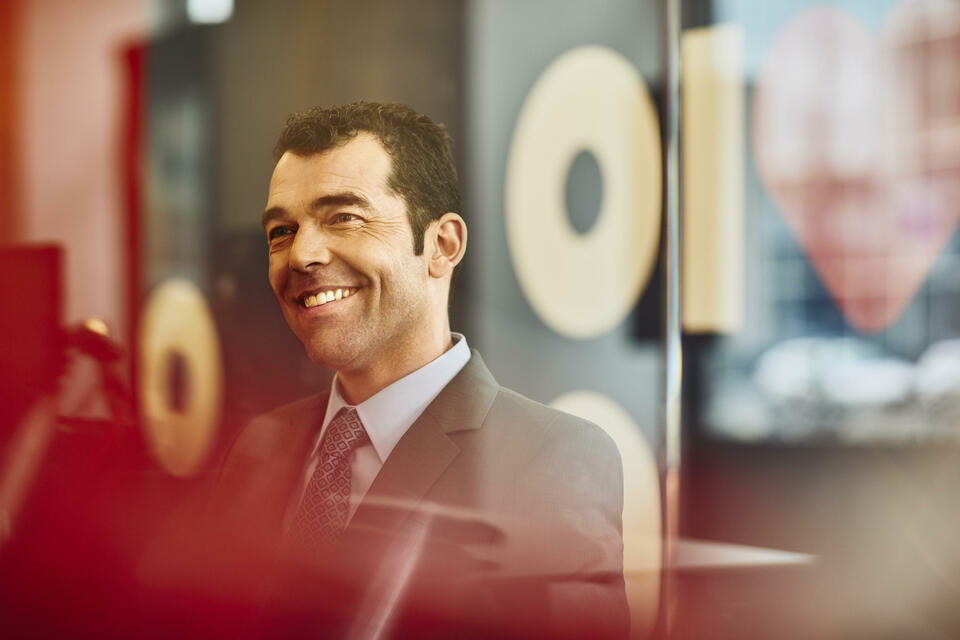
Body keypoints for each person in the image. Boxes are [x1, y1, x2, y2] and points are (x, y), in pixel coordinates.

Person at [206, 102, 629, 638]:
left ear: (441, 245)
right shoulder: (258, 447)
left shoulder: (555, 459)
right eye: (281, 231)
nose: (302, 255)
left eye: (344, 217)